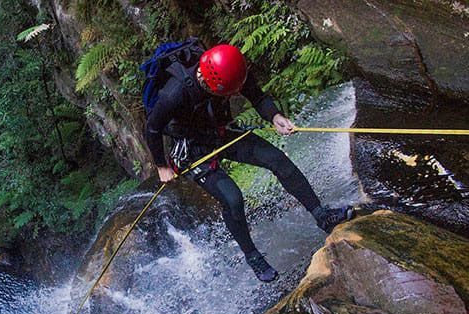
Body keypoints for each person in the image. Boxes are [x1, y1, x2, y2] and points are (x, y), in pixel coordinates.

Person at [145, 44, 353, 282]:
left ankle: (321, 215)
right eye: (230, 94)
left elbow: (257, 95)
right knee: (232, 198)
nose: (235, 95)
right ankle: (253, 256)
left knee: (278, 160)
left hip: (220, 131)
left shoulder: (230, 70)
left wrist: (275, 116)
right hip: (192, 149)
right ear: (214, 85)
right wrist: (162, 166)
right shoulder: (174, 93)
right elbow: (151, 129)